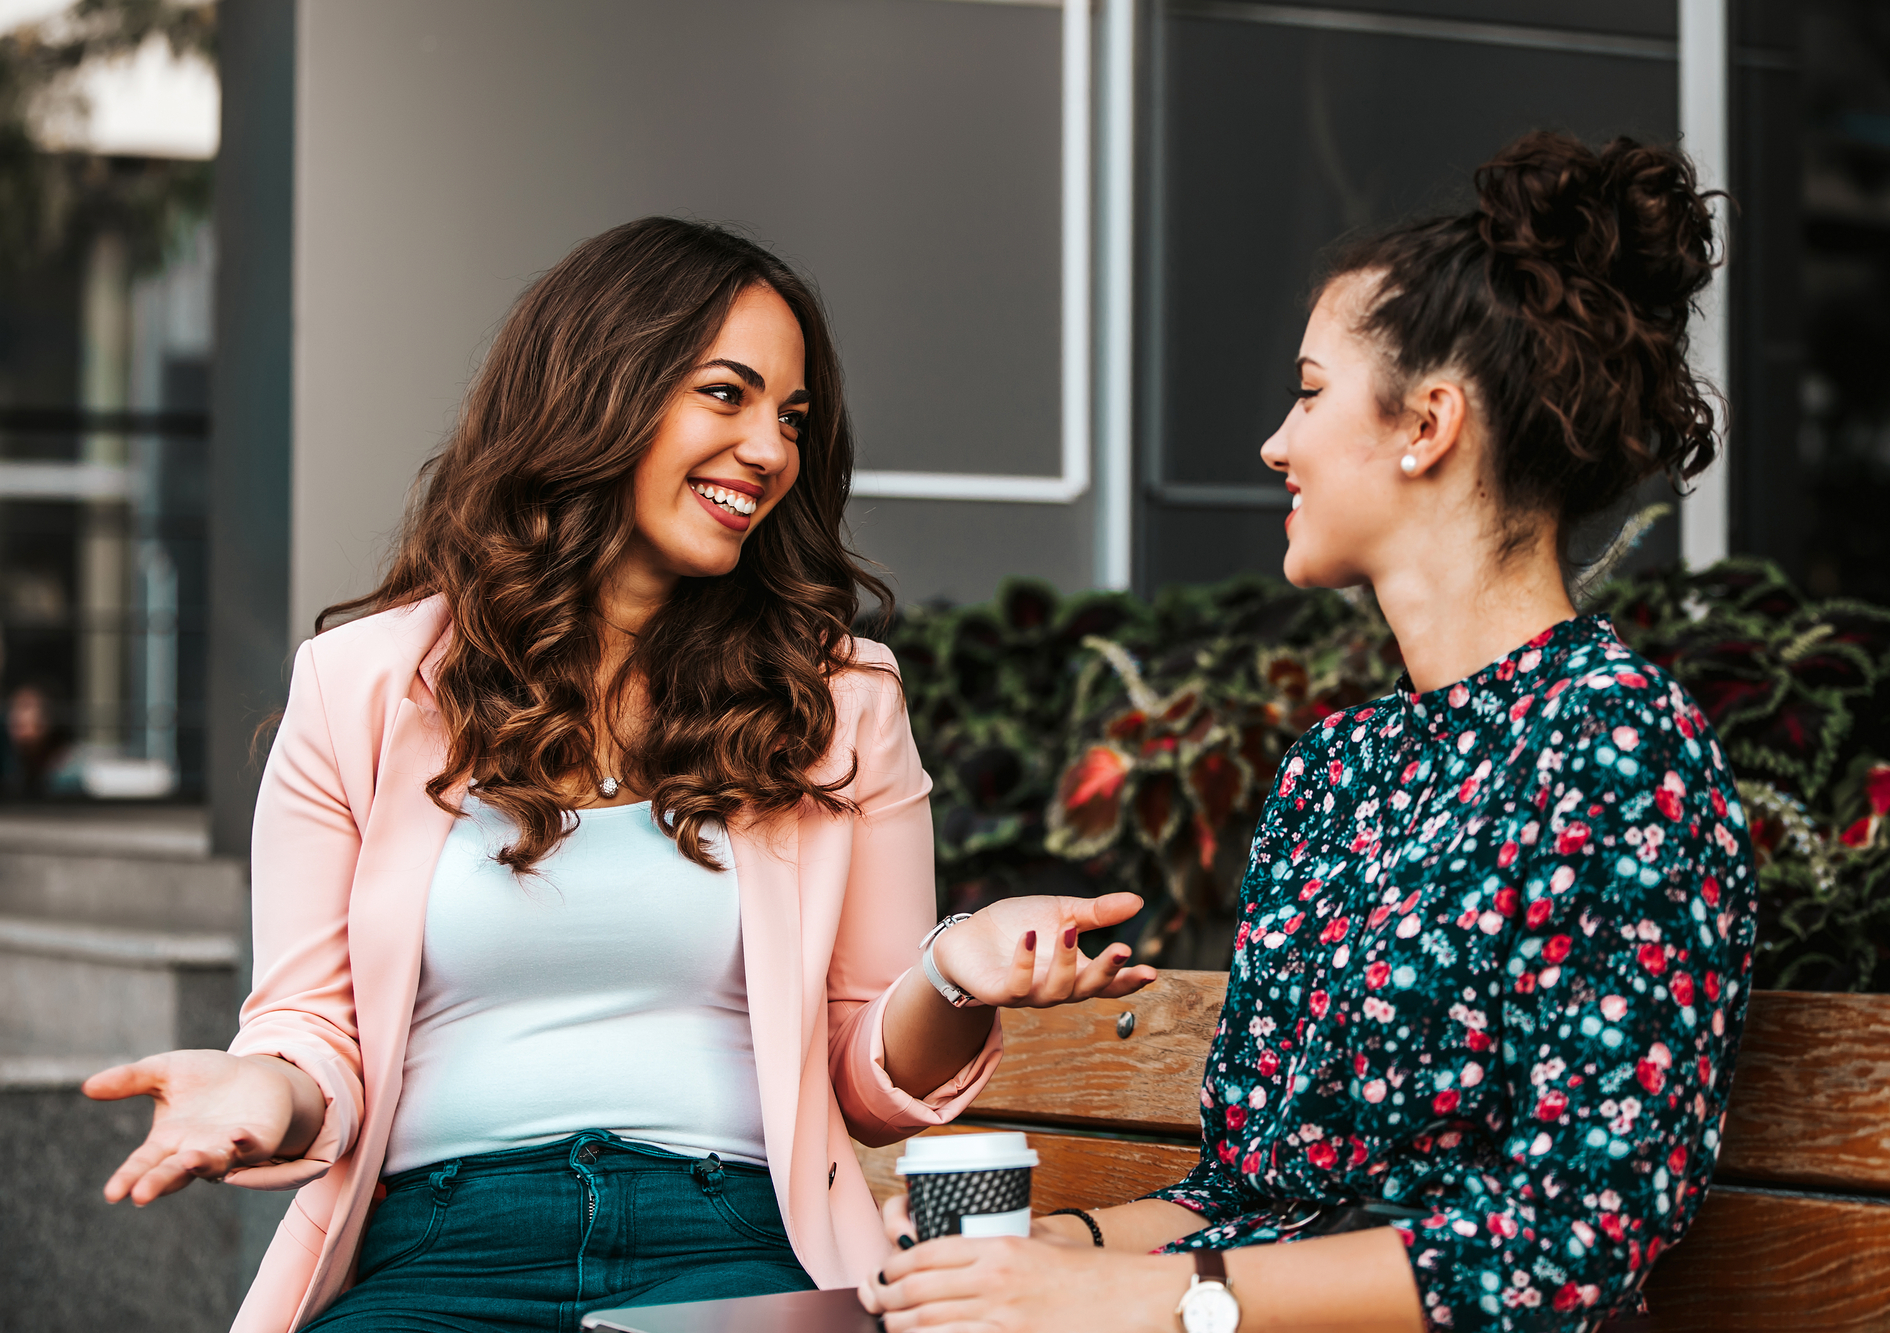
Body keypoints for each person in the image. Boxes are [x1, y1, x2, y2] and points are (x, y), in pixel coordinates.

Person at [80, 218, 1156, 1333]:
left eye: (791, 418)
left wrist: (952, 974)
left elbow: (862, 1083)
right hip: (437, 1250)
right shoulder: (361, 685)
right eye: (726, 395)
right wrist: (267, 1093)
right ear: (598, 392)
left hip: (728, 1242)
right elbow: (312, 1029)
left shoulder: (838, 698)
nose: (771, 450)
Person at [867, 132, 1759, 1333]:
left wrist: (1140, 1302)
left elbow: (1570, 1240)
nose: (1273, 444)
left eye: (1307, 390)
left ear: (1426, 424)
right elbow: (1249, 1196)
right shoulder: (1338, 771)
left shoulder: (1616, 751)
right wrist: (1019, 1257)